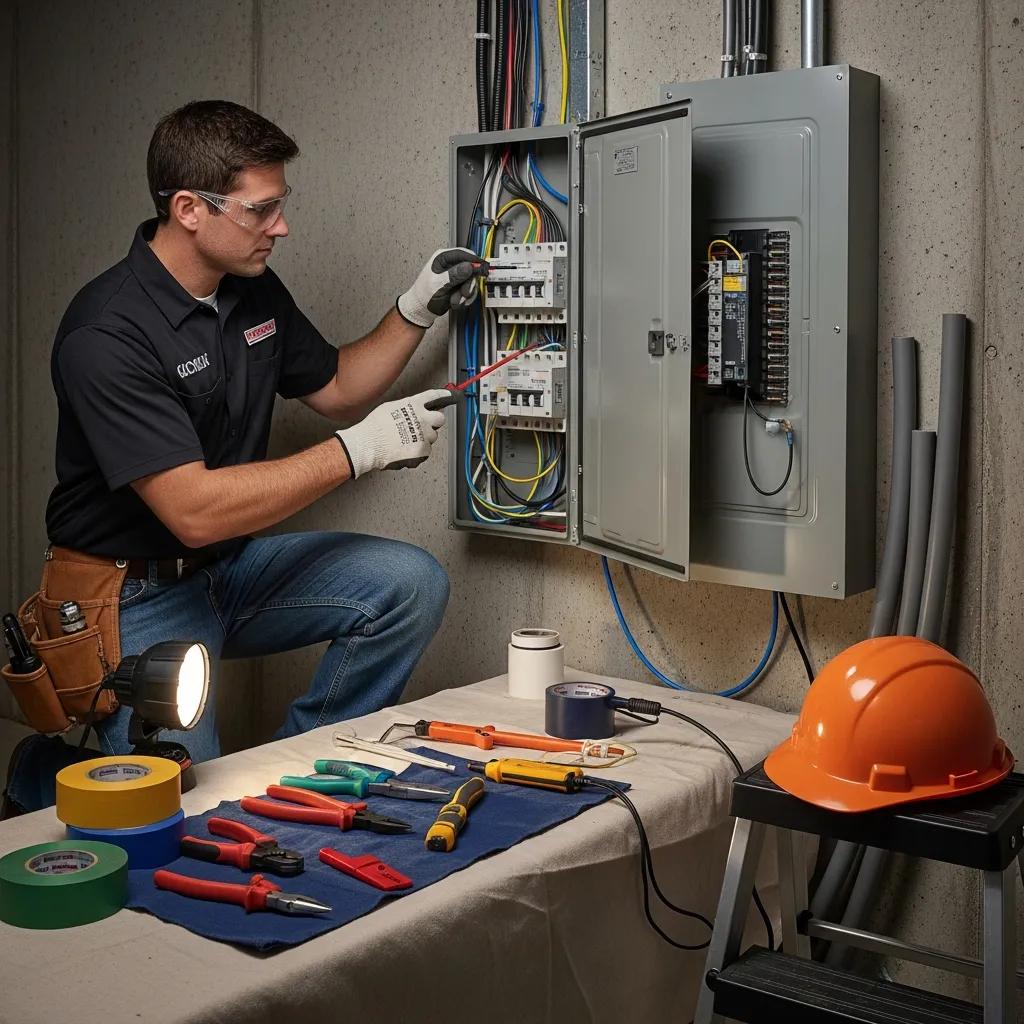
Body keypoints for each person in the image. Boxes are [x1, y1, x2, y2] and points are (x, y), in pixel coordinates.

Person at [4, 99, 477, 811]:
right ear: (190, 208)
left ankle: (299, 777)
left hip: (229, 569)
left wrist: (416, 308)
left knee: (407, 584)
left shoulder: (251, 290)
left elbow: (342, 389)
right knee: (177, 800)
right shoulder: (106, 333)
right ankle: (42, 774)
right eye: (261, 210)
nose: (280, 226)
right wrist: (358, 454)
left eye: (280, 205)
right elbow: (192, 511)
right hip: (132, 592)